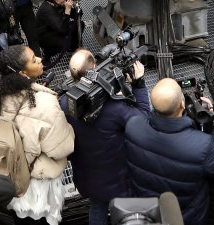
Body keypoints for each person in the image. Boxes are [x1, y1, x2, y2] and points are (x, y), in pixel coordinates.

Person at [0, 45, 74, 225]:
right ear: (23, 73)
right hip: (38, 187)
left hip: (7, 181)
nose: (39, 59)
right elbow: (61, 148)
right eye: (33, 60)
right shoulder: (45, 102)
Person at [124, 78, 214, 225]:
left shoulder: (132, 126)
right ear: (182, 104)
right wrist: (212, 121)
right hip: (185, 216)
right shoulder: (202, 145)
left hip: (146, 211)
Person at [62, 49, 149, 225]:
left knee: (97, 207)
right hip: (119, 180)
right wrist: (138, 84)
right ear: (94, 68)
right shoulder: (115, 109)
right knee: (130, 213)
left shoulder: (65, 103)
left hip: (88, 178)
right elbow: (143, 121)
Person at [35, 0, 82, 66]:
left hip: (57, 27)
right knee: (65, 44)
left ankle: (72, 49)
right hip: (45, 35)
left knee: (79, 24)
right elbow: (62, 29)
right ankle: (47, 53)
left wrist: (74, 7)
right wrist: (67, 10)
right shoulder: (47, 9)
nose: (67, 0)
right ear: (58, 0)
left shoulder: (59, 3)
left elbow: (77, 16)